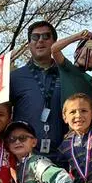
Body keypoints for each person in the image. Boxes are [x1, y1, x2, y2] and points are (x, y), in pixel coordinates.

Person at [10, 21, 67, 155]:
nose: (40, 41)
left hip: (62, 156)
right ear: (29, 44)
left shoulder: (67, 75)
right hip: (26, 157)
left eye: (46, 36)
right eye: (35, 37)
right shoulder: (14, 78)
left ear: (54, 42)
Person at [51, 30, 92, 104]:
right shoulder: (67, 68)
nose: (89, 55)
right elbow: (54, 49)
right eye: (87, 49)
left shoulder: (90, 80)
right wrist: (77, 36)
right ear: (78, 50)